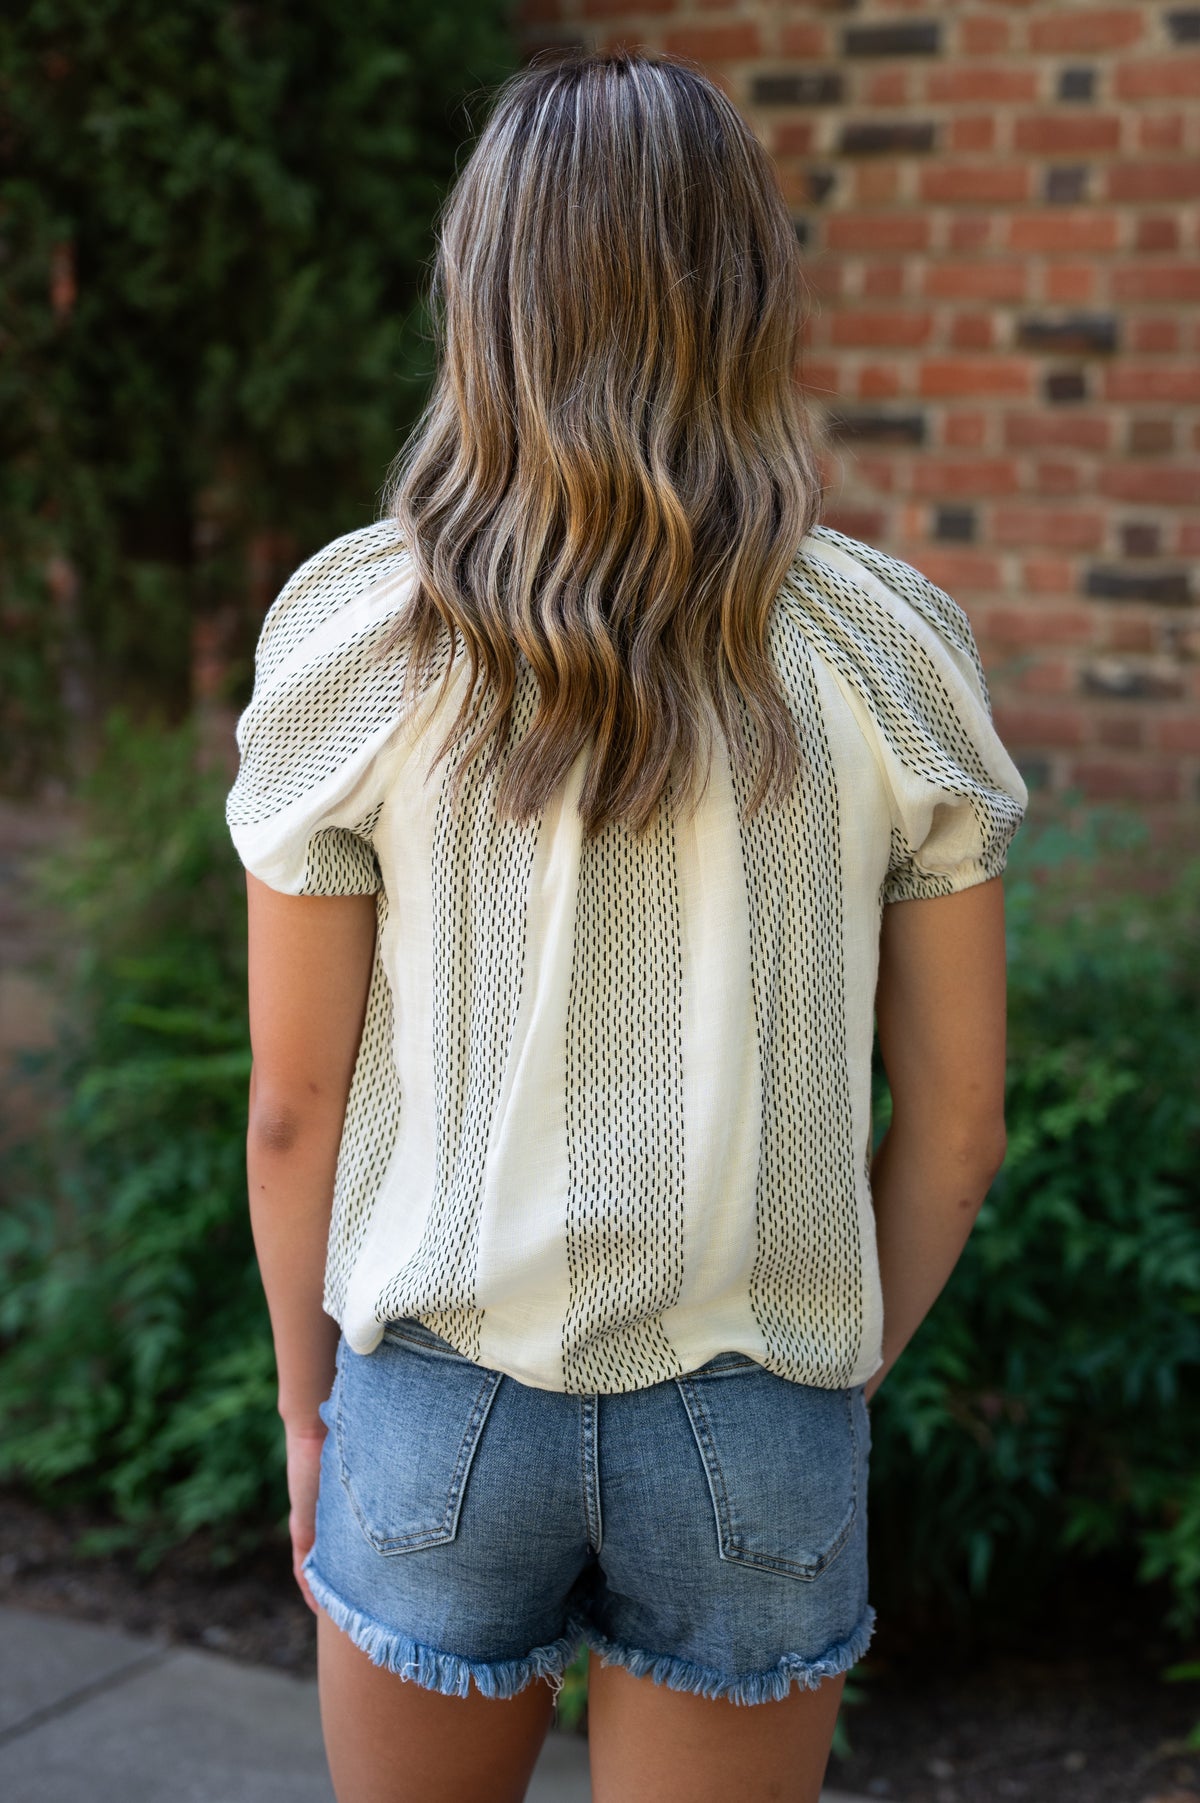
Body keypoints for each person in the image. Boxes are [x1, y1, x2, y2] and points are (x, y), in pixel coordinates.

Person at [225, 47, 1027, 1803]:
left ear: (483, 292)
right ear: (744, 294)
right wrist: (824, 1378)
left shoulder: (364, 635)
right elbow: (959, 1130)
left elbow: (295, 1108)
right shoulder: (888, 647)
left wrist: (307, 1413)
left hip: (435, 1400)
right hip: (759, 1402)